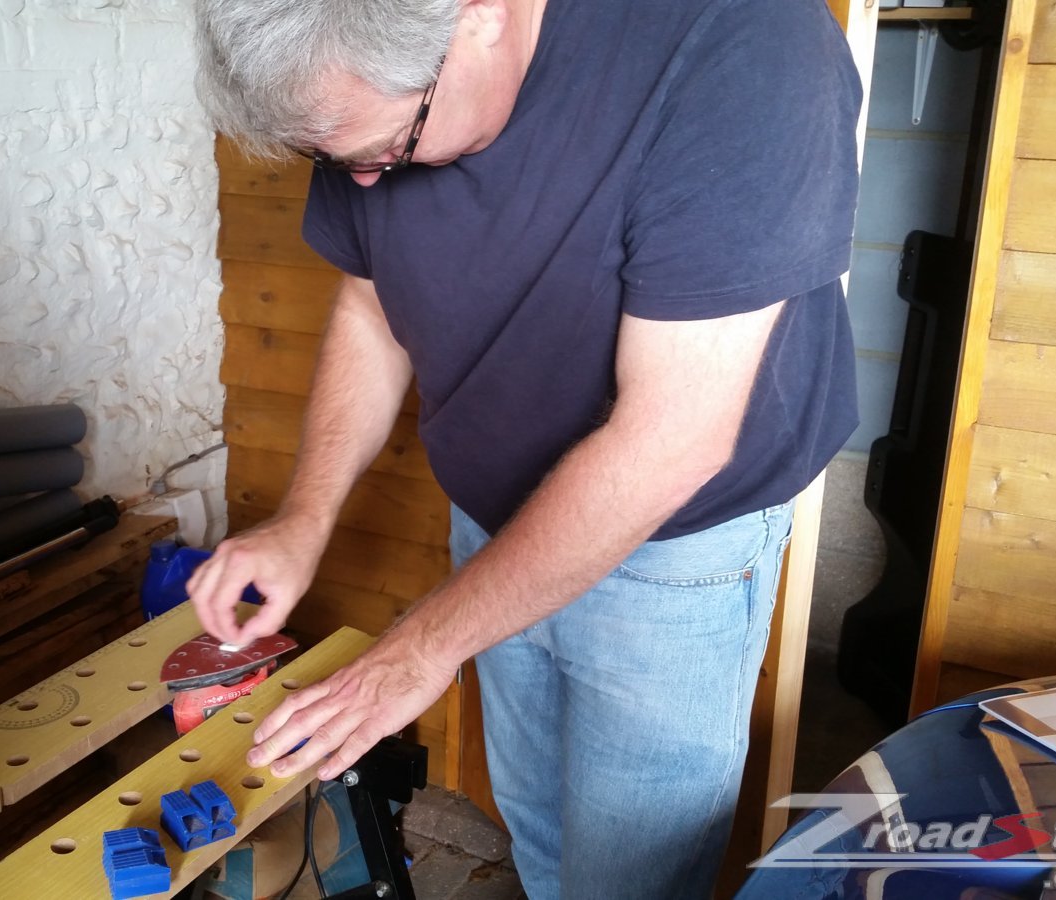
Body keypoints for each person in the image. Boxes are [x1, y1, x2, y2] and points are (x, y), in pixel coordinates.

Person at [187, 0, 862, 895]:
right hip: (490, 523)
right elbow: (369, 307)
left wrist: (419, 649)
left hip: (673, 552)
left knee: (629, 878)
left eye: (389, 147)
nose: (363, 183)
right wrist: (303, 521)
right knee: (541, 843)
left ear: (481, 16)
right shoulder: (373, 80)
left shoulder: (745, 47)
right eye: (334, 160)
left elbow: (671, 441)